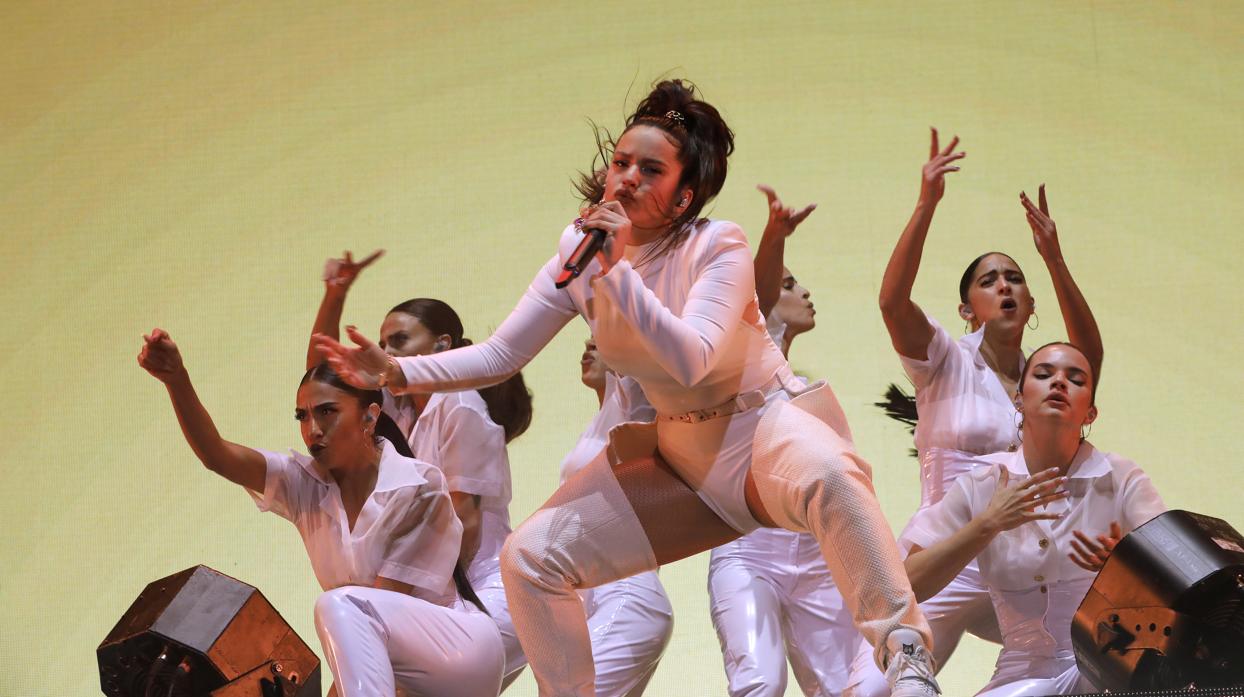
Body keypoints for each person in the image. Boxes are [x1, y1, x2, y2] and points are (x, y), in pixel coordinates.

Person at [314, 79, 938, 697]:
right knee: (530, 559)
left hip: (763, 430)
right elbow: (504, 352)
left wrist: (615, 271)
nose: (627, 178)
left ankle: (905, 655)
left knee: (831, 472)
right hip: (683, 460)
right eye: (620, 162)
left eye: (650, 169)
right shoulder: (578, 250)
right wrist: (394, 373)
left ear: (681, 196)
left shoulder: (716, 244)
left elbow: (691, 358)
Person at [847, 129, 1105, 696]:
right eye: (990, 281)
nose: (1006, 286)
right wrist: (926, 203)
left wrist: (1054, 260)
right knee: (873, 689)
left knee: (1094, 666)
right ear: (968, 310)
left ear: (1031, 304)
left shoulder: (1043, 381)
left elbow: (1090, 356)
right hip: (948, 558)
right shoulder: (945, 359)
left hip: (1020, 561)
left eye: (1015, 278)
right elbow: (892, 301)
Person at [137, 328, 504, 697]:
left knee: (339, 605)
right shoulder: (302, 484)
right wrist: (176, 379)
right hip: (397, 670)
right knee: (341, 609)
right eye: (302, 416)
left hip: (460, 657)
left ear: (369, 416)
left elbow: (376, 620)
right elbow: (216, 455)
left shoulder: (418, 487)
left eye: (327, 412)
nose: (313, 430)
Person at [306, 251, 533, 688]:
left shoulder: (460, 405)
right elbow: (322, 380)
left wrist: (415, 596)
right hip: (449, 593)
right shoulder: (402, 408)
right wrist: (334, 294)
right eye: (382, 341)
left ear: (441, 347)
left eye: (398, 342)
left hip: (489, 597)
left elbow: (463, 521)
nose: (384, 351)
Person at [903, 341, 1165, 695]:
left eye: (1075, 379)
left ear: (1090, 413)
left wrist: (1126, 569)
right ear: (1019, 400)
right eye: (1044, 374)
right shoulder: (982, 485)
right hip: (1020, 672)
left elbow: (1179, 578)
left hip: (1108, 667)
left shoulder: (1121, 478)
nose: (1059, 383)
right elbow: (907, 587)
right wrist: (988, 523)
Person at [706, 185, 860, 697]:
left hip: (815, 554)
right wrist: (775, 237)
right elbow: (757, 294)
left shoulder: (803, 390)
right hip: (750, 549)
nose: (806, 291)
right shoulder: (743, 351)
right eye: (793, 283)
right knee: (759, 684)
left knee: (852, 689)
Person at [557, 337, 674, 696]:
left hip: (624, 594)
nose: (588, 346)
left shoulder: (643, 409)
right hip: (594, 593)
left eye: (600, 341)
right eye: (587, 340)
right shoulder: (601, 421)